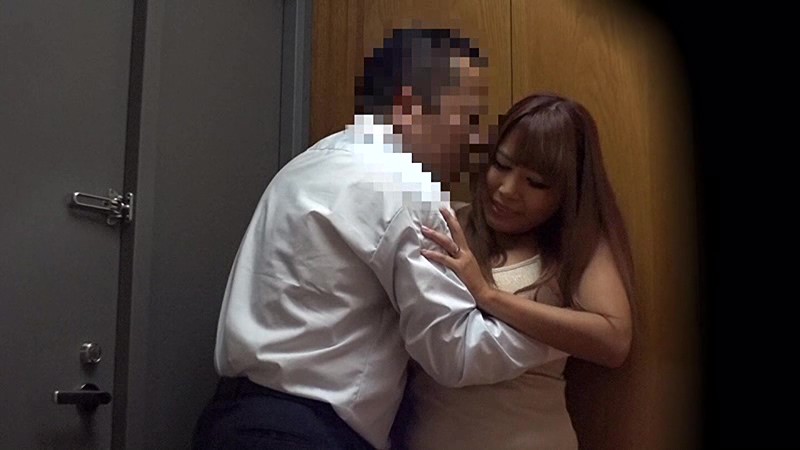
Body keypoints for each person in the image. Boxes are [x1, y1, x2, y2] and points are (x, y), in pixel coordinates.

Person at [192, 30, 567, 450]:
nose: (476, 139)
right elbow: (455, 353)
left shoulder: (303, 167)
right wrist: (558, 336)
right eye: (469, 118)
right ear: (409, 107)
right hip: (306, 435)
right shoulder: (406, 189)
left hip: (230, 421)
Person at [399, 93, 635, 449]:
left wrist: (488, 296)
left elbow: (614, 341)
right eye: (501, 165)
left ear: (568, 192)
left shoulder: (575, 246)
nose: (507, 190)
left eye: (535, 182)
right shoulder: (446, 221)